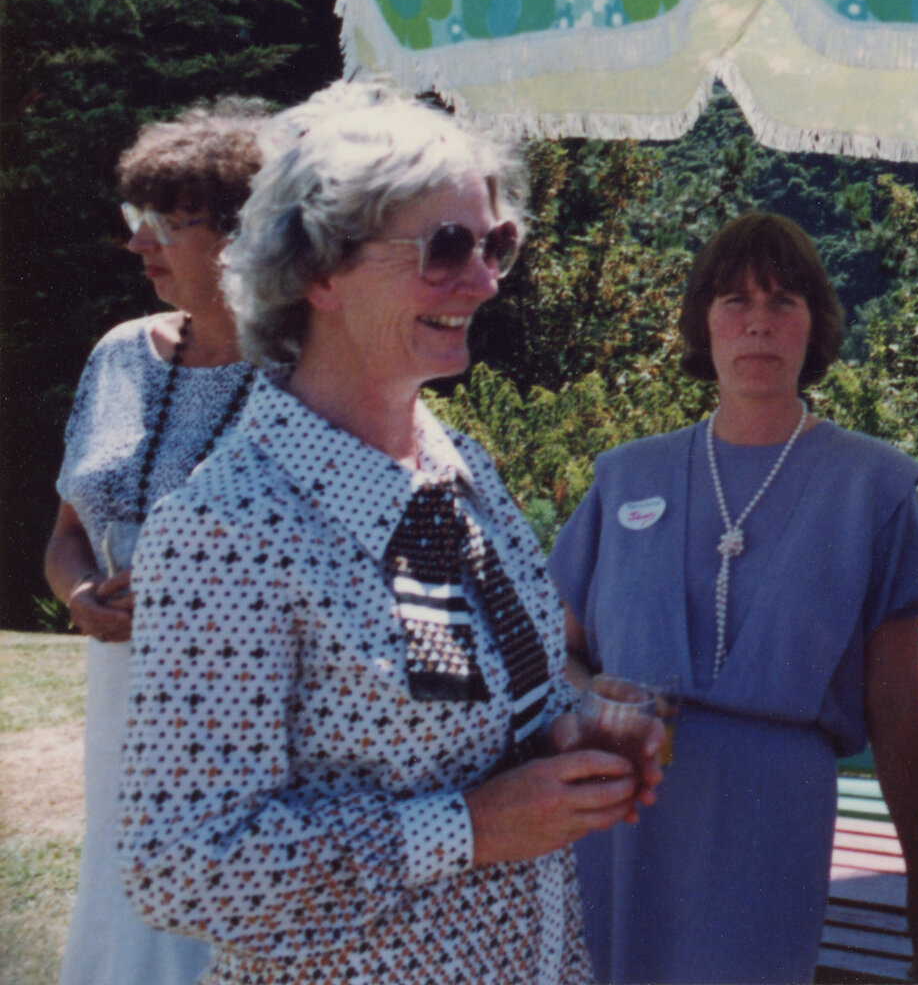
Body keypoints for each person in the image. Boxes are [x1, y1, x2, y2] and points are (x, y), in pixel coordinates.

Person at [117, 82, 660, 985]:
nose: (483, 280)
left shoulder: (459, 470)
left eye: (497, 244)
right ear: (319, 271)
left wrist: (562, 737)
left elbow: (487, 709)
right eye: (444, 248)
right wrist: (473, 829)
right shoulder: (228, 526)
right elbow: (179, 865)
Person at [548, 211, 918, 984]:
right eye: (735, 301)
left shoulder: (875, 487)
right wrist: (597, 696)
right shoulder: (625, 476)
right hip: (619, 809)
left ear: (815, 326)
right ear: (703, 324)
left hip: (770, 822)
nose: (758, 323)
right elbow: (556, 654)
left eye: (783, 302)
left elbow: (895, 705)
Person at [43, 101, 267, 985]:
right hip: (118, 699)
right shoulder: (118, 355)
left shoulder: (311, 383)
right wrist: (77, 599)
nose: (139, 246)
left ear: (247, 238)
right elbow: (66, 535)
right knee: (123, 900)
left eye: (166, 225)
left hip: (230, 711)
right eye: (137, 221)